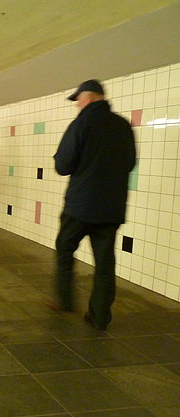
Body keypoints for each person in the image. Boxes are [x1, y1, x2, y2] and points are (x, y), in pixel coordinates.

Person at [50, 79, 136, 330]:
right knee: (105, 263)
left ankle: (65, 300)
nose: (77, 105)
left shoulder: (81, 124)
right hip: (111, 208)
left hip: (80, 207)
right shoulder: (123, 126)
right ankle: (99, 316)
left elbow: (62, 166)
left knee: (65, 249)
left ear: (89, 97)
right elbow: (130, 163)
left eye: (78, 99)